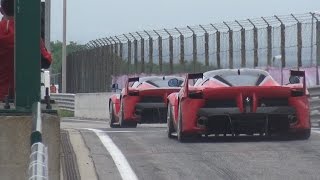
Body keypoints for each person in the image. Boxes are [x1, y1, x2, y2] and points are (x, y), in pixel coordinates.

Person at [0, 0, 52, 101]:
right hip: (25, 99)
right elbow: (46, 61)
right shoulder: (30, 31)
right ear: (20, 10)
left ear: (1, 10)